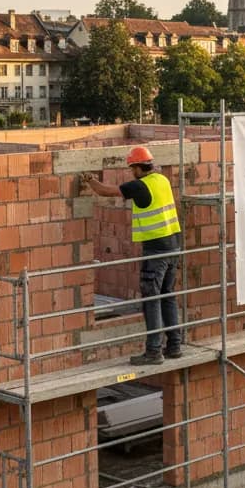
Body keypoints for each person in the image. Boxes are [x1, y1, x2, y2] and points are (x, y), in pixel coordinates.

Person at [82, 146, 182, 365]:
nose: (131, 172)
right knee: (167, 295)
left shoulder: (140, 185)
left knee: (151, 300)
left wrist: (89, 179)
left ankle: (154, 351)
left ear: (137, 167)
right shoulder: (162, 180)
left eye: (131, 168)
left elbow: (106, 191)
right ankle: (174, 345)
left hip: (156, 250)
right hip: (174, 247)